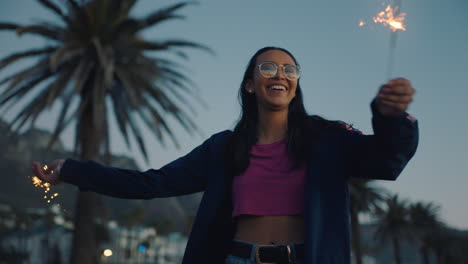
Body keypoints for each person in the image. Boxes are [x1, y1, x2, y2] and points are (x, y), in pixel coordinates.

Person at [32, 47, 418, 264]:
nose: (280, 73)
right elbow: (152, 183)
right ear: (251, 84)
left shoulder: (329, 141)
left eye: (290, 69)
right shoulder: (223, 148)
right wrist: (73, 170)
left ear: (296, 84)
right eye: (268, 67)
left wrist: (390, 117)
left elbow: (387, 161)